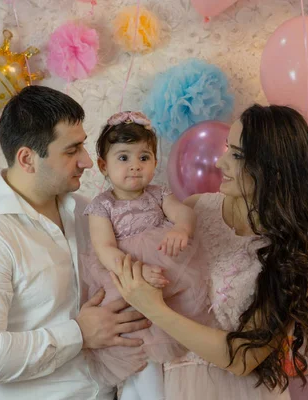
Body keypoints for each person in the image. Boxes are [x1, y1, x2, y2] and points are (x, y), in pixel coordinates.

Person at [0, 86, 150, 400]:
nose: (88, 161)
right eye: (71, 150)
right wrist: (78, 333)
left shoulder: (86, 212)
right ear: (27, 159)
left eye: (83, 146)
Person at [110, 104, 308, 399]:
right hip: (171, 385)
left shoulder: (293, 255)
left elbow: (243, 357)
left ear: (273, 169)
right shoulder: (196, 209)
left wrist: (154, 308)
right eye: (227, 148)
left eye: (236, 155)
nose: (221, 163)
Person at [82, 111, 209, 400]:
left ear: (155, 161)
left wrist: (181, 229)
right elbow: (105, 249)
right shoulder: (102, 206)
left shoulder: (158, 194)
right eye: (123, 158)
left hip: (168, 275)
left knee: (171, 338)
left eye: (144, 157)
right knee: (135, 342)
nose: (135, 166)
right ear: (103, 165)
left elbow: (184, 212)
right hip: (124, 277)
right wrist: (138, 274)